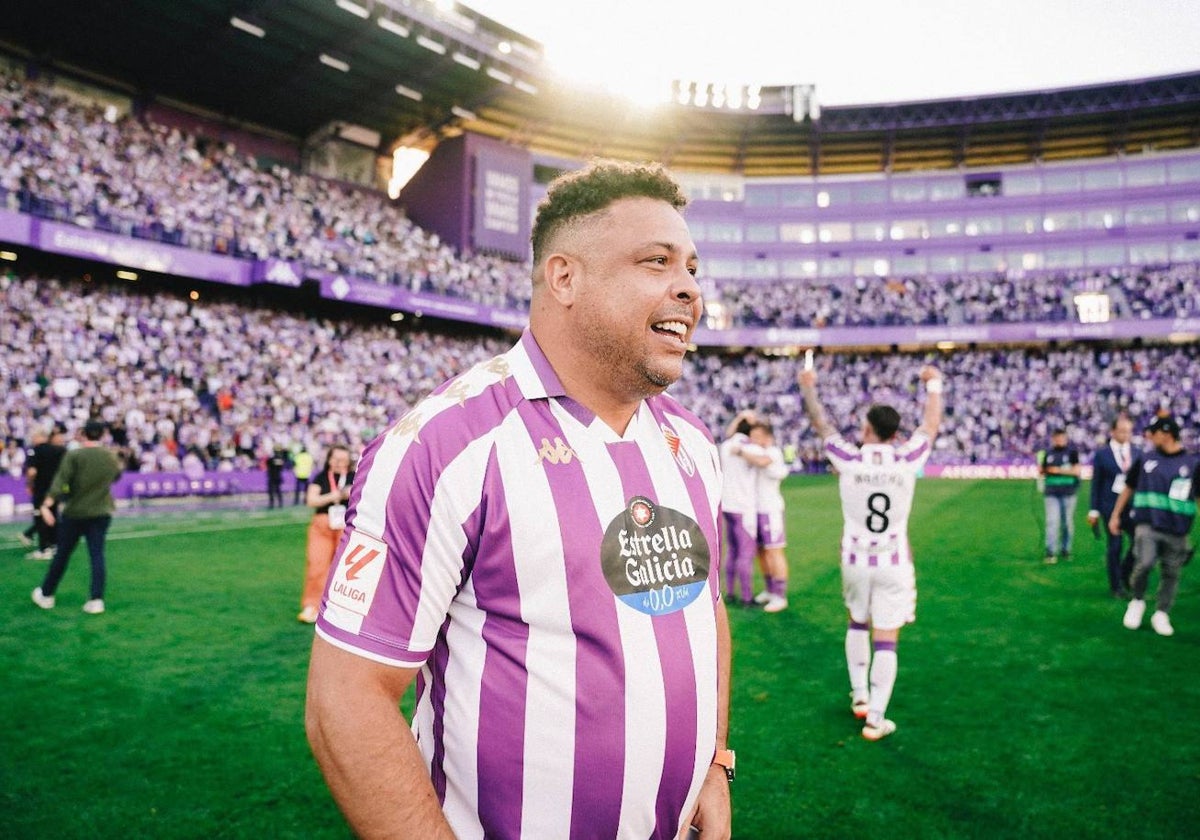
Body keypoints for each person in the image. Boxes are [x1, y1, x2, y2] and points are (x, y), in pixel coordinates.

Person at [305, 161, 732, 840]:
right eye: (657, 262)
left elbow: (701, 613)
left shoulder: (693, 445)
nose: (689, 289)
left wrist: (715, 762)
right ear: (564, 277)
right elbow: (345, 700)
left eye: (691, 267)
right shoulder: (446, 447)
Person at [799, 363, 943, 741]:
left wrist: (809, 388)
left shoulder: (849, 458)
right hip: (894, 560)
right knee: (887, 638)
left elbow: (822, 425)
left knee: (856, 622)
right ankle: (876, 717)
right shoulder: (907, 459)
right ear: (896, 433)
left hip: (855, 559)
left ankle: (860, 696)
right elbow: (930, 427)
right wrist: (934, 386)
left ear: (867, 428)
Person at [1111, 414, 1200, 637]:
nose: (1150, 436)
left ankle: (1161, 613)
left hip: (1178, 529)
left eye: (1154, 432)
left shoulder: (1192, 464)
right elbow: (1128, 487)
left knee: (1171, 572)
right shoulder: (1145, 459)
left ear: (1167, 434)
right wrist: (1115, 515)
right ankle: (1137, 600)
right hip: (1147, 523)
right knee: (1145, 562)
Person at [31, 421, 123, 615]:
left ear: (83, 434)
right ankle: (96, 599)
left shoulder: (75, 455)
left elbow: (60, 481)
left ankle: (47, 594)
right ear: (102, 434)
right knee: (97, 555)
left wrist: (46, 504)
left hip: (76, 512)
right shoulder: (110, 456)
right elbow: (116, 476)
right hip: (101, 511)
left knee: (62, 555)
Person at [297, 444, 354, 624]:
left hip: (345, 525)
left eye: (343, 460)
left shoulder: (355, 477)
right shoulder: (321, 477)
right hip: (322, 525)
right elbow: (311, 500)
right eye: (336, 459)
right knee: (317, 565)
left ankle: (341, 609)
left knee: (344, 570)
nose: (339, 463)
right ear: (329, 459)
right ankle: (312, 606)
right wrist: (334, 496)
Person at [719, 409, 769, 606]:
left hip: (727, 504)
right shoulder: (752, 447)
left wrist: (740, 417)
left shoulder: (726, 445)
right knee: (746, 553)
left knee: (731, 550)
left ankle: (729, 592)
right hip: (744, 505)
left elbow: (730, 433)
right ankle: (747, 596)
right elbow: (765, 461)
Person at [1087, 413, 1136, 597]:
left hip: (1132, 506)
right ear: (1113, 431)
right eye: (1122, 431)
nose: (1126, 435)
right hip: (1110, 506)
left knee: (1139, 542)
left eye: (1129, 432)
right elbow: (1096, 483)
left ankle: (1125, 572)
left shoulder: (1137, 452)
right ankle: (1116, 586)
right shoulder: (1102, 454)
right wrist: (1094, 510)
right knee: (1115, 546)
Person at [748, 421, 791, 612]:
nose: (753, 440)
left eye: (757, 436)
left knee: (774, 551)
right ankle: (769, 589)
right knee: (761, 551)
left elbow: (761, 462)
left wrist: (739, 451)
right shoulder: (756, 451)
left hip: (770, 509)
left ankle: (780, 595)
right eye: (752, 436)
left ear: (767, 438)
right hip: (755, 509)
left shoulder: (772, 452)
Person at [22, 424, 66, 559]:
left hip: (41, 489)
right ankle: (55, 545)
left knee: (40, 517)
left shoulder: (34, 451)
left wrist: (29, 484)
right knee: (53, 516)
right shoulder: (58, 450)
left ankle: (44, 549)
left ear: (38, 436)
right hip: (55, 489)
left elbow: (32, 471)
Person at [1040, 427, 1081, 563]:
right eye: (1056, 438)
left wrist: (1058, 470)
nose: (1059, 440)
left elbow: (1076, 471)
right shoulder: (1048, 453)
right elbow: (1043, 471)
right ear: (1053, 439)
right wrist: (1043, 470)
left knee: (1067, 523)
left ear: (1065, 438)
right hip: (1051, 492)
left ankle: (1066, 549)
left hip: (1068, 492)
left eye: (1061, 437)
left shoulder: (1072, 453)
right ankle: (1050, 551)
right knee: (1052, 522)